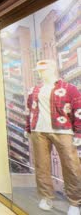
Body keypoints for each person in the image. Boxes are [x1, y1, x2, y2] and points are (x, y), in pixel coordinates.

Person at [25, 60, 81, 214]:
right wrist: (28, 127)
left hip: (63, 130)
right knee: (41, 165)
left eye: (44, 70)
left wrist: (78, 132)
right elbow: (29, 110)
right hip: (39, 131)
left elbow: (78, 110)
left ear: (53, 70)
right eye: (39, 70)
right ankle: (46, 197)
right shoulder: (34, 90)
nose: (41, 73)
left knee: (71, 166)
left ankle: (75, 202)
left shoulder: (69, 88)